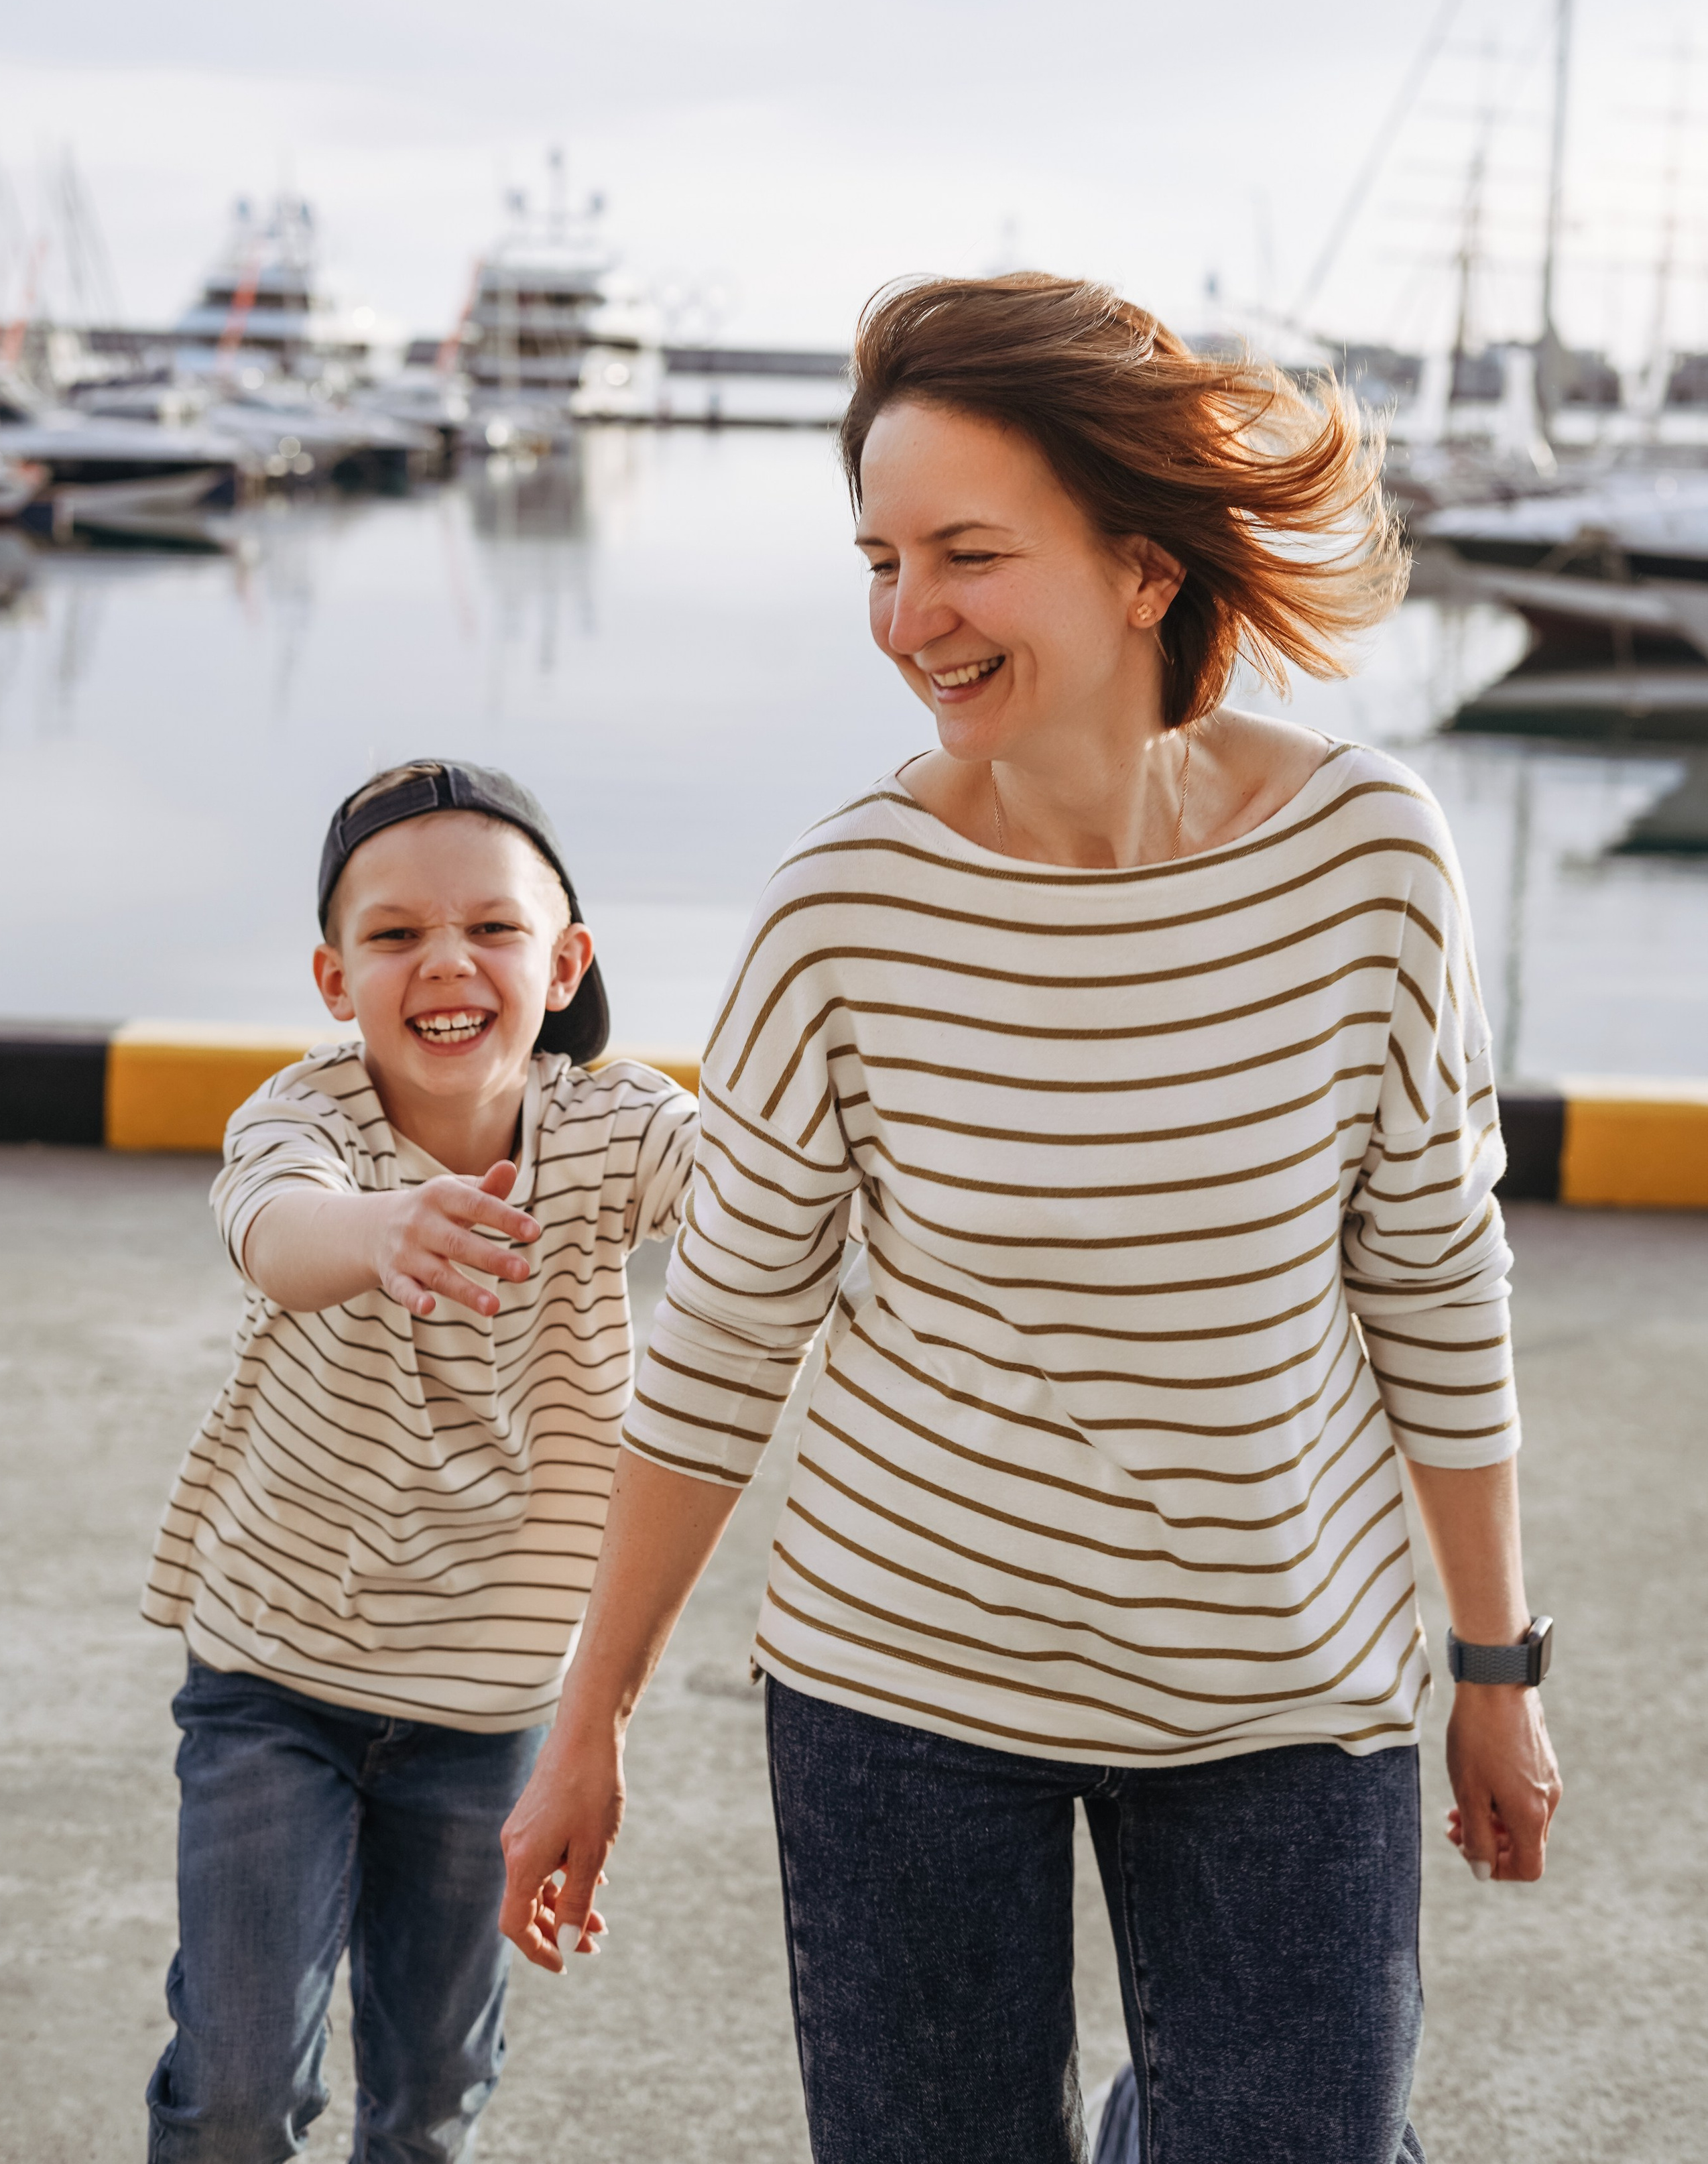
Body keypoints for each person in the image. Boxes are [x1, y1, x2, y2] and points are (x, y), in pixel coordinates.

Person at [499, 278, 1563, 2164]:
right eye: (883, 560)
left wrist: (1493, 1667)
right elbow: (723, 1345)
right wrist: (591, 1719)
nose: (914, 619)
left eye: (969, 554)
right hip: (901, 1685)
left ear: (1144, 570)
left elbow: (1431, 1279)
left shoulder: (1369, 858)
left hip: (1282, 1689)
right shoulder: (842, 909)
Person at [141, 759, 695, 2163]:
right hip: (274, 1680)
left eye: (490, 929)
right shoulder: (305, 1121)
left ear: (564, 961)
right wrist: (384, 1235)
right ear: (336, 977)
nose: (444, 961)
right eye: (394, 936)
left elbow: (763, 1189)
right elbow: (275, 1226)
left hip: (491, 1707)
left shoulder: (613, 1131)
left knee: (432, 2091)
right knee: (237, 2091)